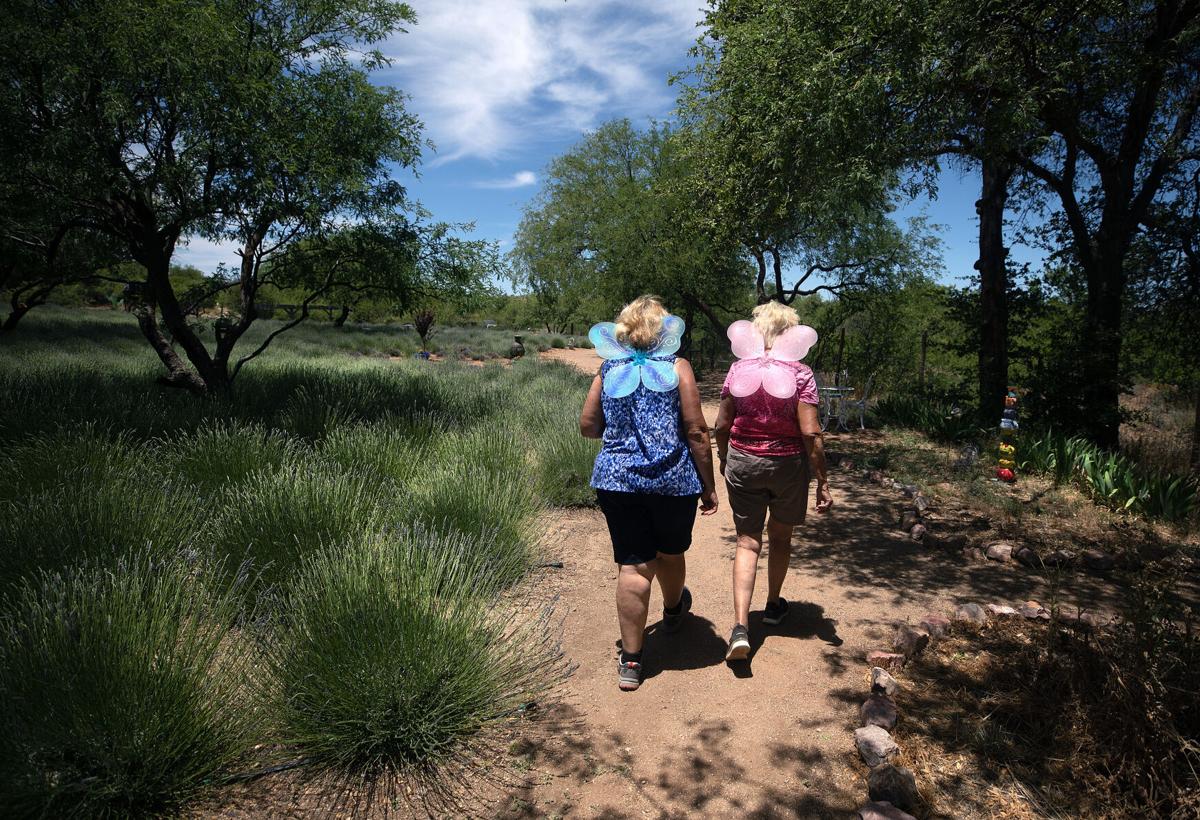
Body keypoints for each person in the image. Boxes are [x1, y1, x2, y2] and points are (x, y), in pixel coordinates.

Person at [579, 295, 719, 691]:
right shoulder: (678, 367)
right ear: (664, 331)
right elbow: (696, 430)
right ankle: (674, 611)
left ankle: (632, 659)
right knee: (671, 552)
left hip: (617, 481)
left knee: (634, 565)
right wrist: (708, 486)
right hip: (673, 481)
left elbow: (589, 427)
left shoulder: (608, 369)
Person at [713, 301, 833, 661]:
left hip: (743, 462)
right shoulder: (801, 373)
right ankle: (772, 605)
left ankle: (739, 628)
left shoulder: (738, 369)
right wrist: (822, 479)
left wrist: (723, 458)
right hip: (786, 467)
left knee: (747, 542)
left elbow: (721, 424)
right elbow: (810, 432)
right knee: (780, 538)